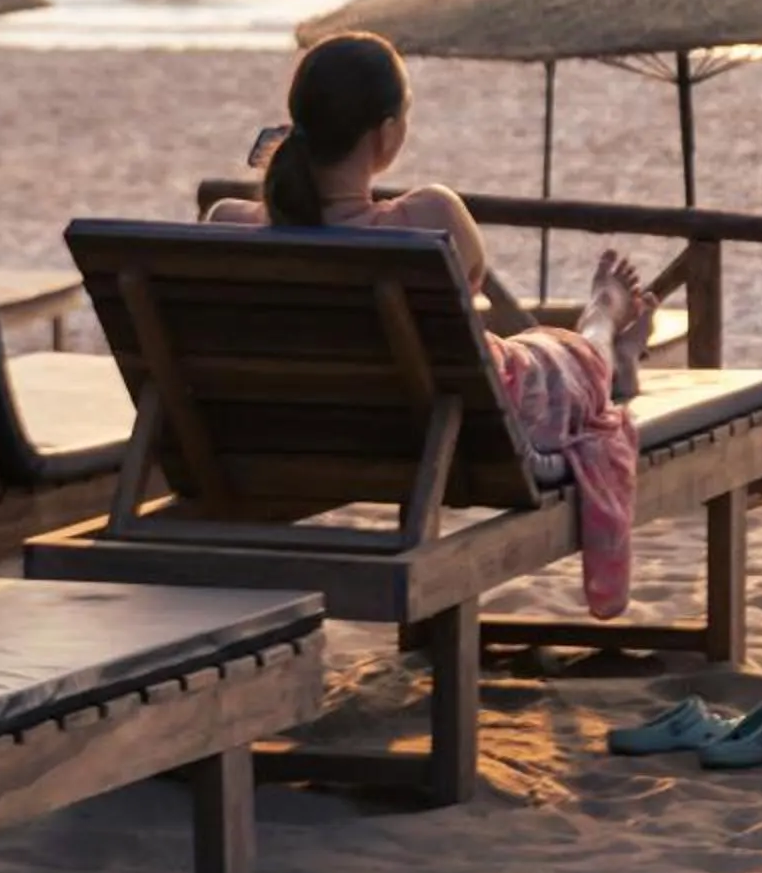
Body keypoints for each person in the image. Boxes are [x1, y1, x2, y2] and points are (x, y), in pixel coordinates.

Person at [208, 32, 652, 613]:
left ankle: (607, 342)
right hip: (447, 428)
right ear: (386, 134)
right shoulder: (429, 215)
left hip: (295, 430)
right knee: (572, 358)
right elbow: (471, 284)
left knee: (542, 351)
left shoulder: (226, 225)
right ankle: (606, 321)